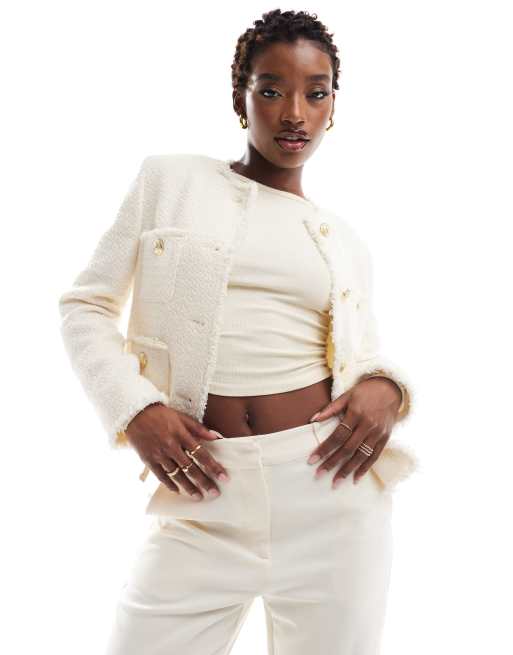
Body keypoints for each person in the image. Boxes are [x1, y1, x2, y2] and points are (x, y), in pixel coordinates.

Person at [58, 9, 418, 654]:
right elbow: (85, 306)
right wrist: (135, 408)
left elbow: (359, 355)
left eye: (316, 93)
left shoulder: (343, 241)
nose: (294, 114)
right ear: (239, 98)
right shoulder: (171, 181)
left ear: (333, 107)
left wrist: (388, 388)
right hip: (203, 489)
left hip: (330, 495)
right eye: (271, 89)